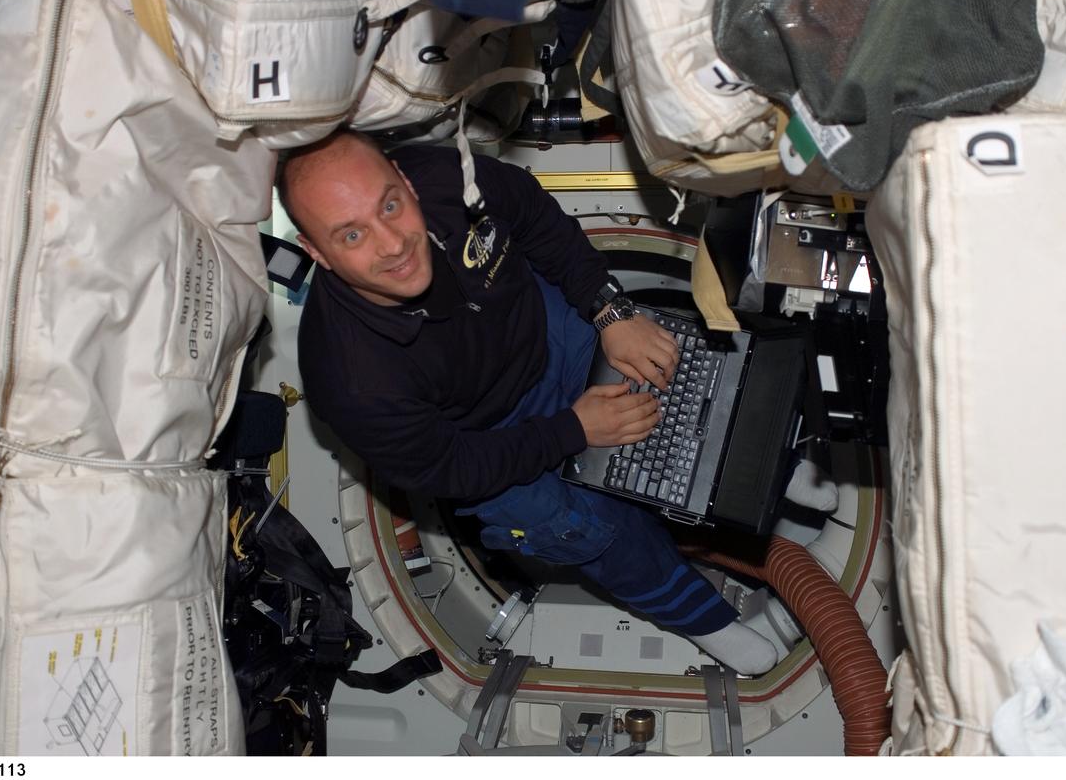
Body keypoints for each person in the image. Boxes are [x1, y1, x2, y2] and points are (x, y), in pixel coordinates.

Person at [283, 129, 778, 675]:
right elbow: (450, 468)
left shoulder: (450, 180)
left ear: (404, 179)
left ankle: (779, 467)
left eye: (391, 206)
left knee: (666, 370)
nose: (394, 243)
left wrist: (608, 310)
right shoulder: (349, 377)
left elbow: (537, 217)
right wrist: (571, 431)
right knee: (594, 530)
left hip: (546, 335)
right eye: (352, 235)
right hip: (486, 438)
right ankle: (706, 619)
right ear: (316, 252)